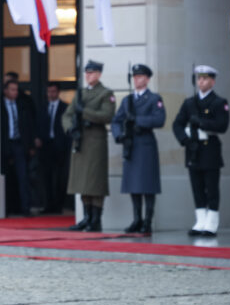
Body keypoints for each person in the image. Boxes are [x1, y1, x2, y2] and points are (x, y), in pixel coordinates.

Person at [172, 65, 229, 237]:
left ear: (212, 81)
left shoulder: (219, 102)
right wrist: (185, 140)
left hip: (209, 149)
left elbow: (222, 125)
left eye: (205, 78)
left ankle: (211, 223)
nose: (201, 82)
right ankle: (200, 221)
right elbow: (177, 124)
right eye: (199, 78)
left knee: (211, 188)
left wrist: (202, 123)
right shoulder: (189, 103)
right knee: (197, 187)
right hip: (193, 148)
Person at [111, 64, 166, 234]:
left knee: (148, 185)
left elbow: (159, 119)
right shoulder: (127, 100)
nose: (137, 80)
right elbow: (116, 120)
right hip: (131, 144)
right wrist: (119, 135)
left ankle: (147, 220)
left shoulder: (154, 98)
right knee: (133, 185)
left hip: (145, 143)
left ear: (147, 79)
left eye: (140, 77)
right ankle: (137, 219)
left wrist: (139, 121)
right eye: (135, 77)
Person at [62, 60, 115, 232]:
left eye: (92, 73)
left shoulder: (106, 93)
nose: (88, 76)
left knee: (95, 182)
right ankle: (86, 217)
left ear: (99, 74)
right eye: (87, 73)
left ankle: (95, 219)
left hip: (95, 141)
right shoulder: (81, 94)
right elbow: (67, 115)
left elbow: (107, 115)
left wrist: (84, 112)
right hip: (81, 141)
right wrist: (70, 129)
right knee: (82, 182)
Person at [0, 79, 36, 216]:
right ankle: (7, 208)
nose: (15, 92)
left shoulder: (22, 104)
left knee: (23, 177)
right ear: (5, 91)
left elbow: (29, 125)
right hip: (5, 145)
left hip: (19, 144)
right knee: (7, 177)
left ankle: (25, 208)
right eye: (12, 90)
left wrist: (31, 144)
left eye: (16, 90)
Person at [35, 82, 71, 214]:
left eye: (53, 91)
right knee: (46, 177)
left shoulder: (65, 107)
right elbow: (37, 124)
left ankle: (59, 205)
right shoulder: (42, 107)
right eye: (49, 91)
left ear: (58, 92)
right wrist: (37, 137)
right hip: (45, 147)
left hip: (59, 146)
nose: (51, 94)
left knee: (60, 177)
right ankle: (48, 205)